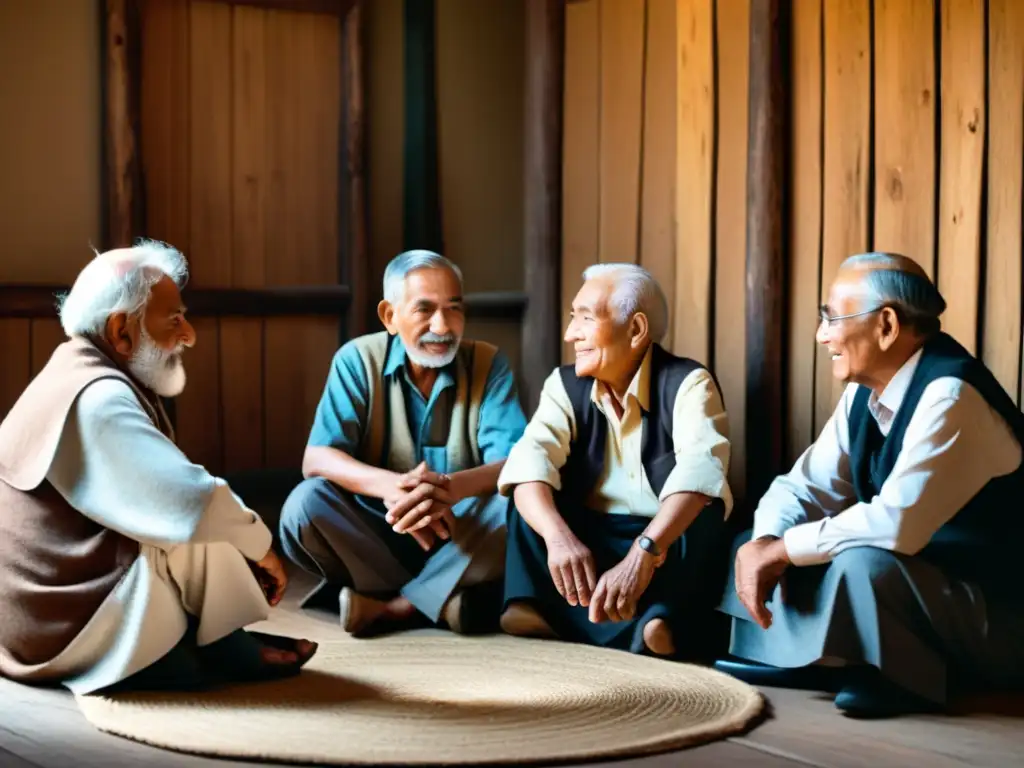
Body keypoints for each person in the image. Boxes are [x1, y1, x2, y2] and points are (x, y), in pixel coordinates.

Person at [0, 240, 317, 696]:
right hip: (56, 630)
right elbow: (192, 501)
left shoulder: (73, 369)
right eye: (174, 319)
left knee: (191, 513)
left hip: (38, 618)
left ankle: (208, 643)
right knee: (196, 513)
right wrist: (262, 550)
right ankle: (214, 646)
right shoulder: (98, 398)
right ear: (121, 330)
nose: (189, 335)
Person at [717, 252, 1024, 718]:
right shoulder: (865, 392)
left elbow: (896, 524)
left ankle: (899, 674)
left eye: (832, 318)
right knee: (748, 540)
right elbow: (805, 486)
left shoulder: (953, 395)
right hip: (925, 590)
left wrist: (782, 551)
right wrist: (765, 541)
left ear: (886, 325)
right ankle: (821, 657)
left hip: (994, 613)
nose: (822, 335)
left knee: (862, 564)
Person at [279, 250, 527, 637]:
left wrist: (448, 490)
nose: (442, 326)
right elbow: (318, 457)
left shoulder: (487, 363)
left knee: (520, 501)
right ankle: (445, 598)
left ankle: (398, 607)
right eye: (424, 310)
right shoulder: (357, 360)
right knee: (304, 507)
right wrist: (394, 489)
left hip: (462, 534)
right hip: (379, 533)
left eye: (453, 308)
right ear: (389, 316)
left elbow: (514, 463)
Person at [495, 263, 733, 657]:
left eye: (586, 319)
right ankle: (545, 608)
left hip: (659, 542)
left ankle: (658, 621)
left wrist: (645, 551)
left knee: (700, 510)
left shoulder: (689, 383)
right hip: (589, 541)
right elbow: (528, 461)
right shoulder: (564, 384)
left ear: (636, 330)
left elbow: (701, 472)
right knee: (528, 494)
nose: (572, 334)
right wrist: (559, 538)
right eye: (574, 318)